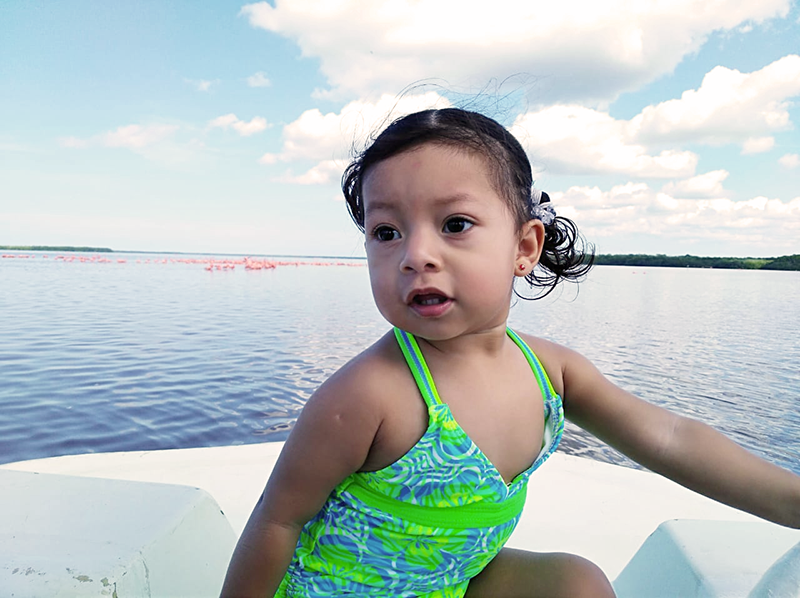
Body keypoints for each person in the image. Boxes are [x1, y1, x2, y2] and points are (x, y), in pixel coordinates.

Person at [221, 108, 800, 598]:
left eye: (455, 224)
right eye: (386, 232)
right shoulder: (368, 394)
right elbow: (278, 520)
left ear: (524, 246)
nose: (415, 255)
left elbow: (670, 438)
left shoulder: (551, 372)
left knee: (579, 584)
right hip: (344, 589)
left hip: (451, 581)